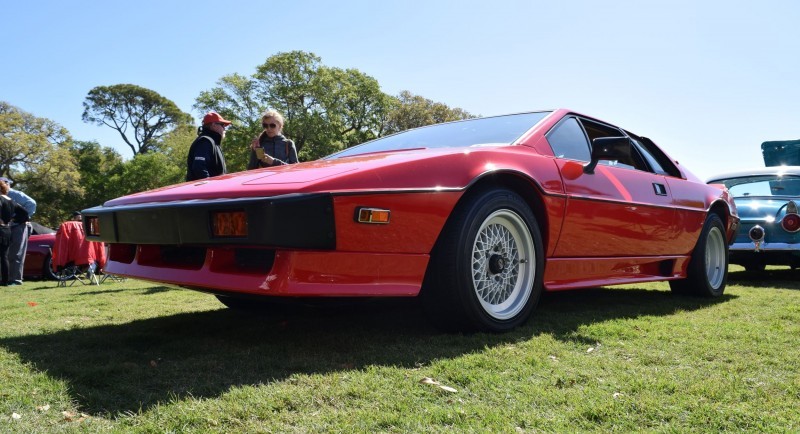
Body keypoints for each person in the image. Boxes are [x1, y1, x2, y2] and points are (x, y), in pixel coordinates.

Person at [0, 177, 35, 285]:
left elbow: (32, 204)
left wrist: (18, 219)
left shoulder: (15, 194)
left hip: (18, 226)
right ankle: (6, 278)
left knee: (16, 253)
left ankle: (15, 279)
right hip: (7, 227)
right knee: (5, 254)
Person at [186, 111, 232, 181]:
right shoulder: (205, 141)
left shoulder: (213, 142)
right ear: (213, 125)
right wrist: (210, 187)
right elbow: (199, 167)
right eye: (222, 125)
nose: (224, 129)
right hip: (203, 191)